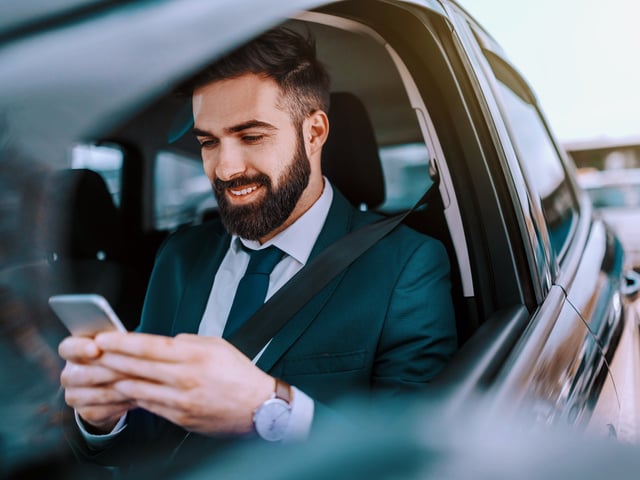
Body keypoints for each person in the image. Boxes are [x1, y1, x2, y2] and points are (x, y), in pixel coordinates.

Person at [57, 27, 457, 467]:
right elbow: (151, 437)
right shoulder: (178, 257)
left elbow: (412, 459)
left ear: (314, 132)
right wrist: (102, 420)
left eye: (251, 136)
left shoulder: (407, 265)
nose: (226, 168)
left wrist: (270, 407)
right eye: (209, 142)